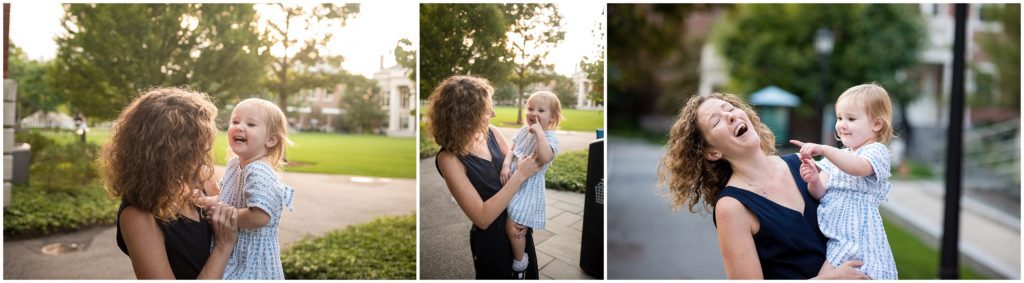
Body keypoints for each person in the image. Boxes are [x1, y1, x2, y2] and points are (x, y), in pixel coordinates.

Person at [657, 92, 868, 279]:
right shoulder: (732, 207)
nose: (730, 115)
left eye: (730, 108)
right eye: (715, 121)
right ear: (713, 152)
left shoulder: (802, 163)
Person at [100, 87, 238, 279]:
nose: (206, 148)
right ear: (172, 152)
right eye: (198, 143)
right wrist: (223, 246)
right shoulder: (138, 216)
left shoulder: (203, 178)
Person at [429, 75, 544, 279]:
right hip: (493, 241)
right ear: (466, 115)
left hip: (519, 225)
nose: (493, 113)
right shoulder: (449, 159)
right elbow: (482, 218)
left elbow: (520, 163)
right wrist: (521, 175)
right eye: (486, 110)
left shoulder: (491, 132)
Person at [790, 83, 898, 279]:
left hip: (857, 237)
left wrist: (824, 150)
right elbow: (819, 192)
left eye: (851, 118)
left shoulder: (876, 152)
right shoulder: (840, 155)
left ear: (877, 124)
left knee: (829, 276)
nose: (841, 124)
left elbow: (857, 168)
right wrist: (814, 178)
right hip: (836, 237)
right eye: (839, 118)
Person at [211, 98, 296, 279]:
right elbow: (226, 197)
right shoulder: (235, 164)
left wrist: (222, 214)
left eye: (250, 124)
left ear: (271, 139)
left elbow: (259, 217)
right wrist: (205, 201)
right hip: (236, 250)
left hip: (252, 259)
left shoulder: (258, 170)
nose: (239, 127)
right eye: (235, 121)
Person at [499, 91, 561, 278]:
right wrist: (505, 166)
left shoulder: (550, 139)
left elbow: (545, 156)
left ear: (552, 118)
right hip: (513, 182)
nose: (534, 113)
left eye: (541, 110)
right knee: (507, 217)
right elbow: (512, 150)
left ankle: (520, 263)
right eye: (530, 108)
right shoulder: (523, 131)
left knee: (513, 226)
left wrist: (540, 133)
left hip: (528, 190)